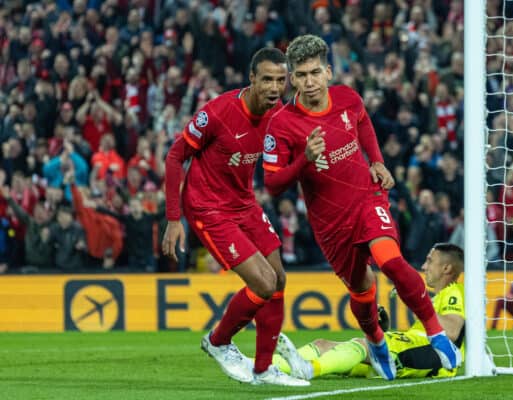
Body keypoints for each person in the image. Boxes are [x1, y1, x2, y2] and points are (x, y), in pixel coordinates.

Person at [262, 34, 461, 380]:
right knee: (362, 289)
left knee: (389, 259)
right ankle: (376, 342)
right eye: (301, 75)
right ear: (292, 78)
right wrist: (305, 160)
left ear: (327, 71)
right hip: (330, 222)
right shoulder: (281, 125)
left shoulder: (347, 98)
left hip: (368, 199)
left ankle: (437, 335)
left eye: (314, 73)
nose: (309, 82)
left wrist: (378, 161)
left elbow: (364, 123)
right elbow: (273, 184)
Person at [161, 48, 308, 387]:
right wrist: (174, 219)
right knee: (263, 283)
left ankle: (263, 366)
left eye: (280, 80)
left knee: (279, 279)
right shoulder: (218, 113)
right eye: (267, 79)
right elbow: (174, 156)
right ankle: (218, 342)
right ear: (252, 78)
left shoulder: (280, 116)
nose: (274, 87)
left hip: (244, 203)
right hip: (208, 207)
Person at [271, 243, 465, 380]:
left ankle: (309, 370)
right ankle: (262, 366)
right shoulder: (439, 296)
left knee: (360, 345)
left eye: (430, 261)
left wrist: (415, 302)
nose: (424, 266)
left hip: (425, 355)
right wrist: (385, 329)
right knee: (323, 345)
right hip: (411, 349)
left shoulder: (453, 292)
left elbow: (453, 330)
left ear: (446, 268)